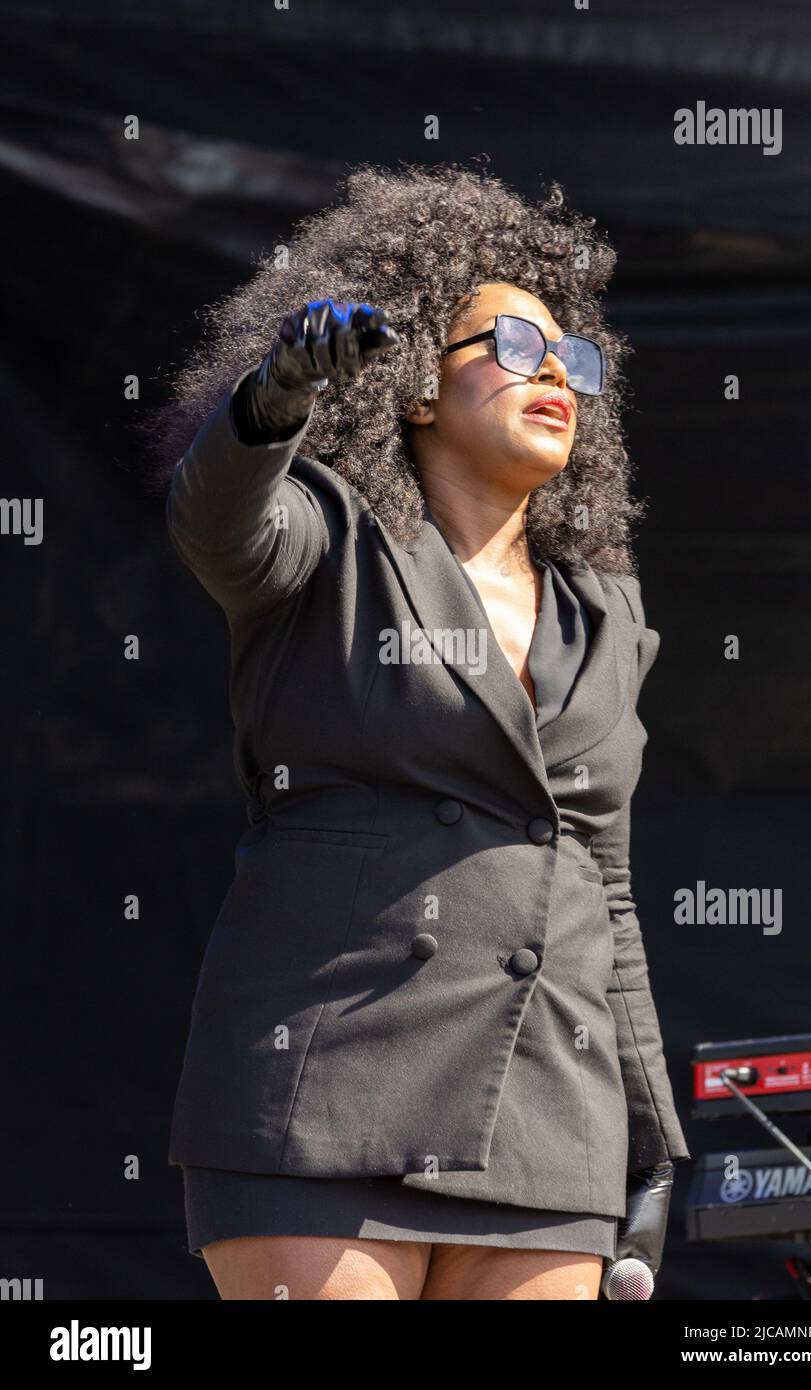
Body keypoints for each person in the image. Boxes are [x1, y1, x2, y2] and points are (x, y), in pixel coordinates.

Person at [145, 162, 690, 1300]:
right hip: (328, 1081)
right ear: (414, 390)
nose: (557, 378)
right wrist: (271, 398)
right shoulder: (327, 544)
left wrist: (649, 1138)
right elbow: (216, 521)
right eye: (514, 351)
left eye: (572, 359)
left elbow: (606, 887)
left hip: (547, 1111)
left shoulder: (606, 611)